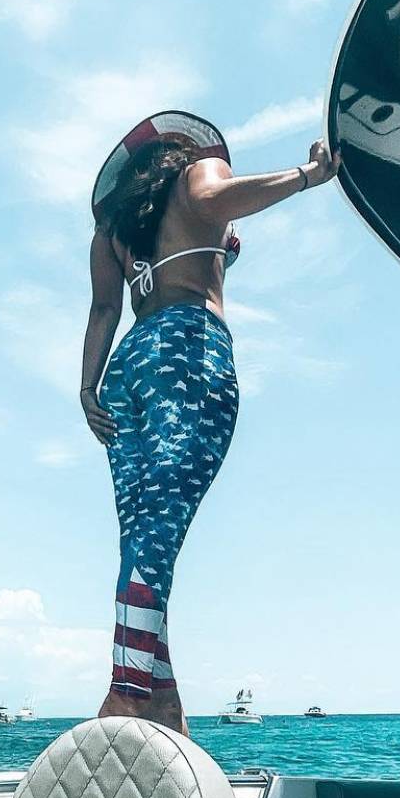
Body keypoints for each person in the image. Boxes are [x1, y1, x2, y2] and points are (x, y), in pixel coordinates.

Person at [81, 111, 338, 734]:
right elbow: (217, 196)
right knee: (158, 533)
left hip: (128, 367)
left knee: (143, 533)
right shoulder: (198, 173)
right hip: (185, 353)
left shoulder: (116, 227)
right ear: (181, 152)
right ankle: (128, 691)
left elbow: (104, 307)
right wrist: (309, 175)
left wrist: (86, 386)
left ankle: (160, 697)